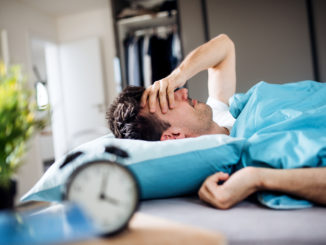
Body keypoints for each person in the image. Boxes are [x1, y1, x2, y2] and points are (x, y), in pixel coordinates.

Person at [107, 34, 326, 209]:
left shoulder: (221, 112)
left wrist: (177, 75)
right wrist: (256, 178)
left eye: (170, 91)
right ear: (173, 136)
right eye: (168, 101)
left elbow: (224, 46)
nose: (182, 92)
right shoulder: (247, 157)